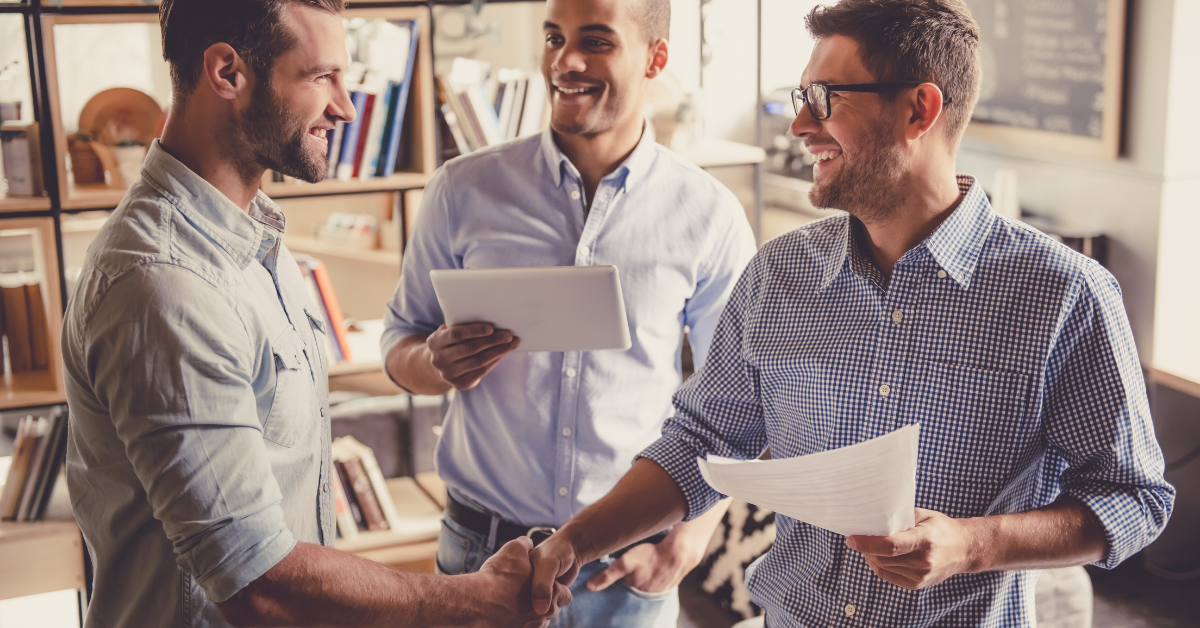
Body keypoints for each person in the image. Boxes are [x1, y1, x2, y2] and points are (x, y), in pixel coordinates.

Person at [527, 0, 1176, 626]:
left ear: (919, 110)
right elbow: (699, 446)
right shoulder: (778, 276)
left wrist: (972, 545)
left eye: (824, 100)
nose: (799, 126)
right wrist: (570, 544)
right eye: (800, 96)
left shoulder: (1064, 296)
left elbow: (1134, 499)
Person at [61, 1, 570, 626]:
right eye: (321, 77)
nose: (347, 107)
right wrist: (470, 600)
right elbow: (255, 581)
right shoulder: (166, 282)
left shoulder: (256, 237)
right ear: (227, 72)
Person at [380, 0, 756, 624]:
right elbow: (399, 343)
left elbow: (741, 407)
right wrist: (433, 363)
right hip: (481, 553)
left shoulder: (709, 217)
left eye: (597, 41)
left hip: (626, 570)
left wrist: (689, 543)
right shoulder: (462, 189)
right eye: (555, 37)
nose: (565, 61)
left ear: (655, 58)